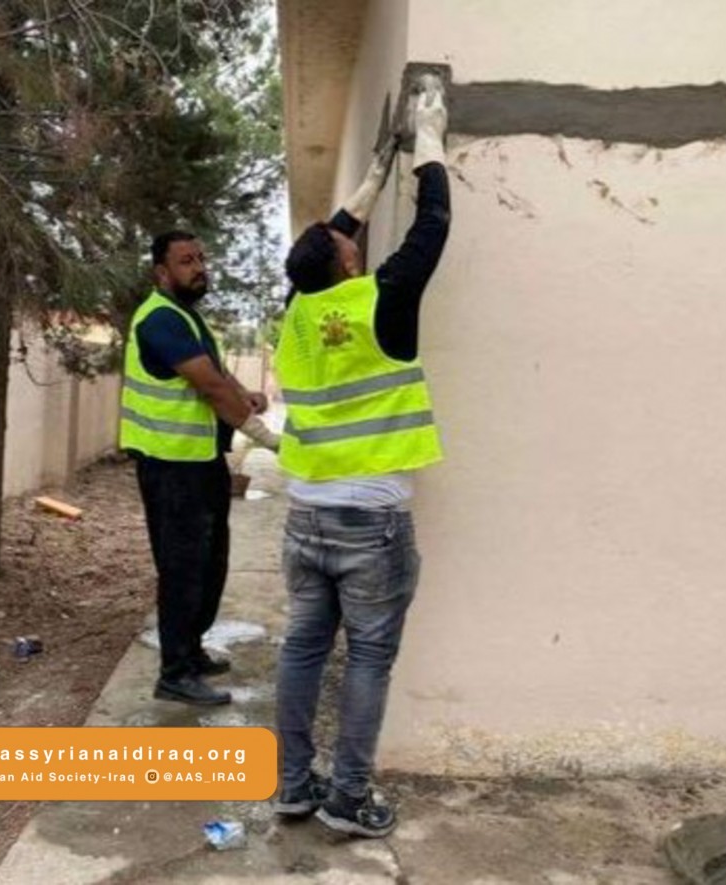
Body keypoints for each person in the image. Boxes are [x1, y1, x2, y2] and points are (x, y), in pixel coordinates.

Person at [272, 81, 451, 836]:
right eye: (351, 243)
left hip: (307, 516)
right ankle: (348, 797)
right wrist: (430, 145)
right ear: (348, 265)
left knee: (303, 650)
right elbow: (433, 228)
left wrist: (371, 183)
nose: (357, 242)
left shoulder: (296, 312)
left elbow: (319, 247)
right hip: (371, 523)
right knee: (369, 659)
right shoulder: (382, 297)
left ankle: (292, 786)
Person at [121, 231, 279, 706]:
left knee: (210, 565)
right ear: (162, 272)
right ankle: (174, 674)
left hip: (200, 462)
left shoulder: (187, 316)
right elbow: (210, 388)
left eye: (201, 258)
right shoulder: (159, 319)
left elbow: (217, 373)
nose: (199, 268)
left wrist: (245, 393)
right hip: (171, 468)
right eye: (186, 261)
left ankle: (190, 652)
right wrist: (271, 440)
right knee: (182, 570)